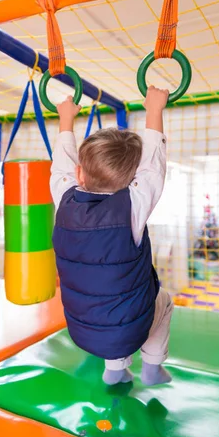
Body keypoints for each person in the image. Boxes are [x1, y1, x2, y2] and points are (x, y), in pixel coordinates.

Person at [50, 86, 173, 386]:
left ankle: (115, 369)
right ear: (132, 181)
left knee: (108, 298)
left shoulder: (64, 200)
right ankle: (152, 368)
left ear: (79, 175)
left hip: (82, 330)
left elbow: (61, 162)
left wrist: (66, 118)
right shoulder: (131, 208)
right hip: (126, 328)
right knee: (163, 300)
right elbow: (153, 169)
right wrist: (154, 109)